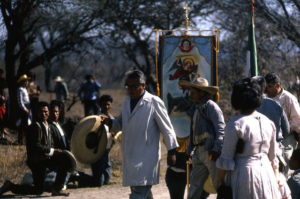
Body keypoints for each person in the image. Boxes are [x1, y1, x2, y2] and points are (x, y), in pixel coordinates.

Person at [102, 70, 178, 199]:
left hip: (146, 157)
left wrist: (172, 151)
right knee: (143, 192)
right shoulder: (126, 102)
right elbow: (121, 123)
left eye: (134, 86)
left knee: (138, 192)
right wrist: (110, 122)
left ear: (143, 85)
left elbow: (167, 128)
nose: (130, 90)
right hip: (130, 155)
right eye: (128, 87)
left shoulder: (154, 102)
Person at [216, 78, 281, 199]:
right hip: (267, 173)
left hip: (244, 175)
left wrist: (219, 181)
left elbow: (226, 157)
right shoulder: (268, 122)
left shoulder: (236, 124)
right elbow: (273, 157)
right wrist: (276, 177)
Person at [0, 102, 72, 196]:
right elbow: (36, 146)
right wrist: (53, 151)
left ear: (48, 113)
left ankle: (56, 189)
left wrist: (57, 152)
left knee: (64, 159)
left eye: (46, 112)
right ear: (37, 113)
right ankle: (10, 186)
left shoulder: (48, 126)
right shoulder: (35, 127)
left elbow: (50, 144)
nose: (44, 114)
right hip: (37, 161)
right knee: (38, 190)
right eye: (41, 112)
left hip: (45, 159)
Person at [178, 77, 225, 199]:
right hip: (198, 153)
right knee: (194, 186)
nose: (191, 95)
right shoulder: (196, 108)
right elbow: (193, 132)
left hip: (210, 152)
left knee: (219, 185)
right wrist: (188, 152)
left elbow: (221, 130)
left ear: (202, 92)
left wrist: (216, 149)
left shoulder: (211, 107)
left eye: (193, 92)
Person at [265, 72, 300, 176]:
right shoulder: (265, 98)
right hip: (268, 139)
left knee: (284, 167)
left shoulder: (289, 99)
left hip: (286, 139)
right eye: (265, 87)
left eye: (270, 87)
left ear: (278, 86)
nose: (267, 90)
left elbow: (297, 121)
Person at [252, 76, 289, 142]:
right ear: (264, 87)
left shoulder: (249, 107)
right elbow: (286, 130)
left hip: (256, 146)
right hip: (276, 146)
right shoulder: (276, 104)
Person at [16, 74, 31, 144]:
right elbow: (20, 101)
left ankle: (24, 140)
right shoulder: (20, 89)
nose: (27, 82)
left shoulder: (24, 89)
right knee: (23, 125)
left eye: (27, 81)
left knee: (26, 124)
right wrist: (25, 109)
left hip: (27, 106)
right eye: (26, 81)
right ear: (22, 82)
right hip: (23, 108)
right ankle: (21, 140)